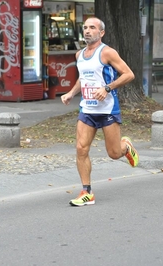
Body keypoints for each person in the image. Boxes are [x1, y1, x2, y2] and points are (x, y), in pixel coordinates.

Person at [60, 17, 139, 207]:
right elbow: (84, 78)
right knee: (81, 148)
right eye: (85, 27)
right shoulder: (79, 55)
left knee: (113, 153)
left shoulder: (108, 53)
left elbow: (129, 74)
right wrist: (71, 93)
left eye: (92, 28)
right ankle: (87, 192)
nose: (87, 31)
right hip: (87, 109)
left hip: (107, 110)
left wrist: (107, 88)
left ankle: (125, 147)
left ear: (101, 33)